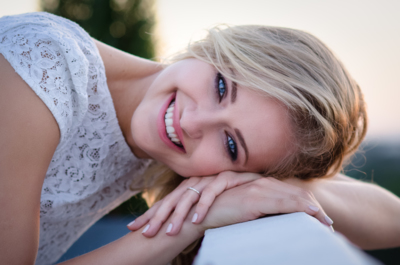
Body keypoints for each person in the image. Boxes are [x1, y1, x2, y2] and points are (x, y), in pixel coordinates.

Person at [0, 12, 399, 265]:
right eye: (222, 87)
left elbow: (391, 216)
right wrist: (193, 222)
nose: (194, 121)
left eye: (231, 145)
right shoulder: (45, 66)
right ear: (213, 49)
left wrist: (269, 187)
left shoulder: (154, 145)